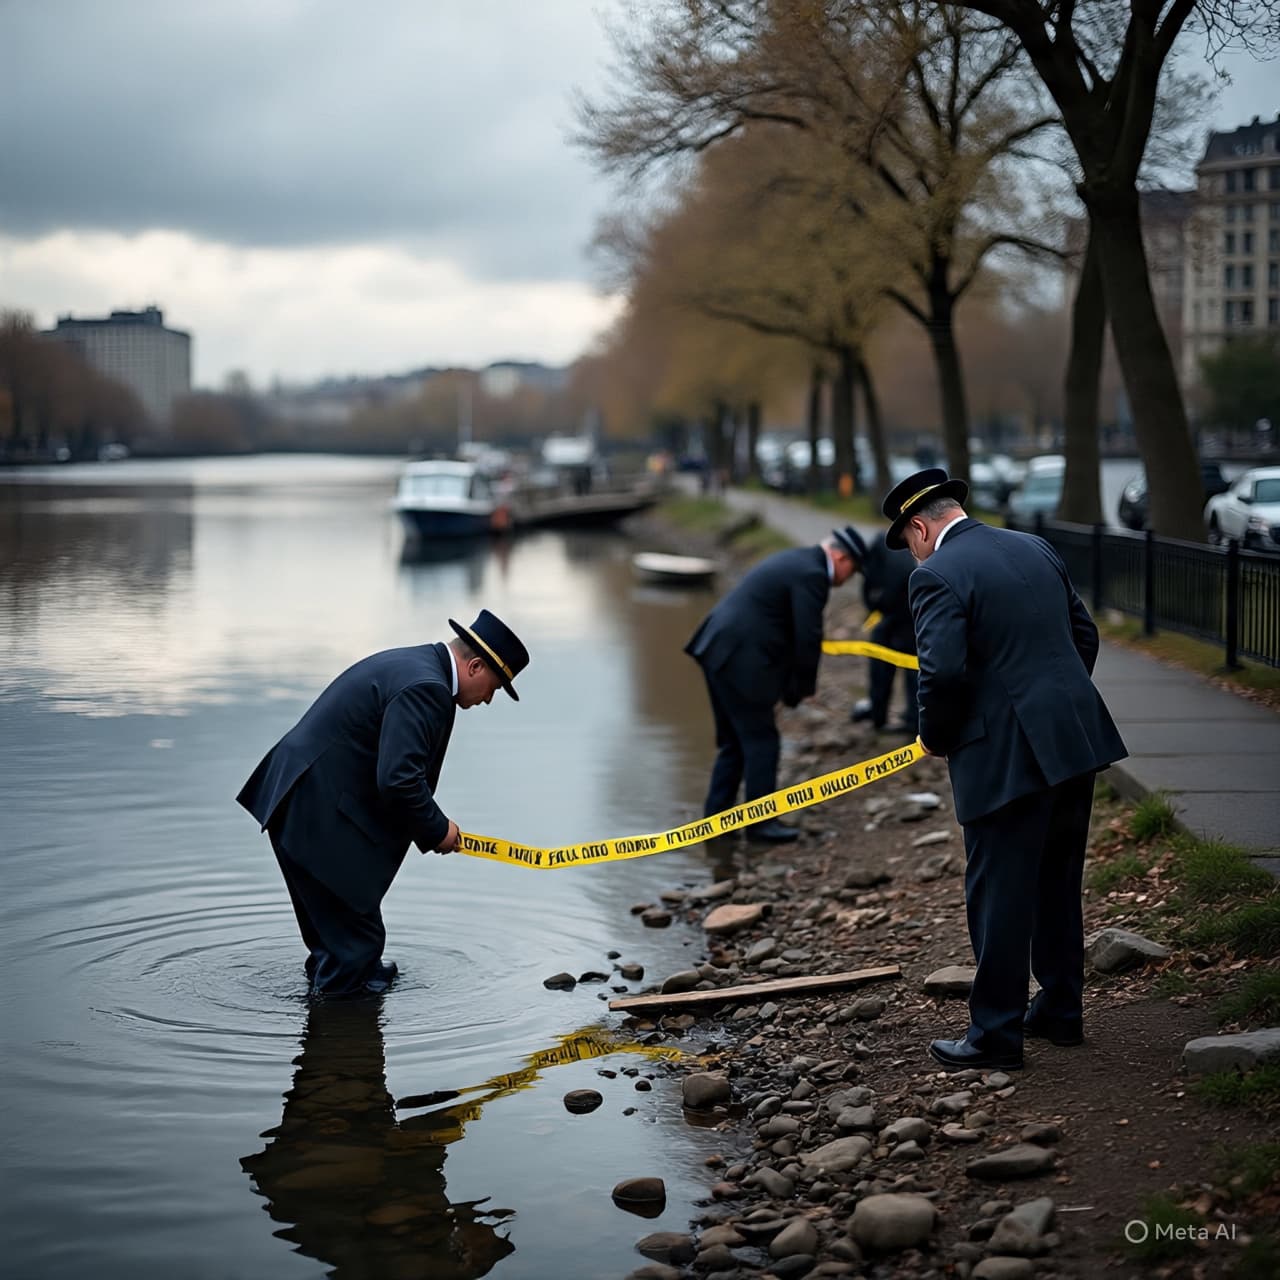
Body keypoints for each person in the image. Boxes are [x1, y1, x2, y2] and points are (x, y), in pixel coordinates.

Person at [883, 468, 1126, 1070]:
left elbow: (940, 675)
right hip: (1075, 739)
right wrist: (1055, 703)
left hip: (1005, 757)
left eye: (908, 540)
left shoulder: (935, 574)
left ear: (920, 527)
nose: (912, 552)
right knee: (1057, 880)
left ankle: (994, 1036)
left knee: (998, 893)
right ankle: (1061, 1013)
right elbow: (1083, 636)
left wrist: (936, 738)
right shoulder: (1032, 545)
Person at [237, 609, 529, 998]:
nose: (489, 699)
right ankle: (342, 1045)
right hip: (315, 814)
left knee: (341, 941)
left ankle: (338, 1001)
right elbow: (399, 779)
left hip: (298, 802)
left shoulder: (415, 664)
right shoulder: (427, 687)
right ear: (475, 666)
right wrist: (438, 830)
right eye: (495, 687)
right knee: (355, 948)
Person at [685, 526, 866, 843]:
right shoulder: (813, 574)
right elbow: (807, 637)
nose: (849, 579)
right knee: (762, 742)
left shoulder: (797, 559)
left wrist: (788, 689)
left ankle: (716, 824)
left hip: (717, 648)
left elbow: (784, 630)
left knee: (734, 743)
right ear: (841, 557)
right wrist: (802, 689)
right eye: (853, 570)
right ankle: (760, 825)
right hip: (739, 658)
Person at [849, 531, 918, 735]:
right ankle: (911, 719)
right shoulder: (903, 541)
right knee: (912, 667)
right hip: (911, 614)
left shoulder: (880, 546)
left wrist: (877, 604)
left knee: (885, 665)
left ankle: (882, 716)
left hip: (896, 615)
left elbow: (872, 581)